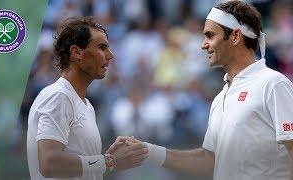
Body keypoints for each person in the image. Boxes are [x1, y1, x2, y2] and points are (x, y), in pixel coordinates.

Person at [109, 1, 293, 180]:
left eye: (210, 35)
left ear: (235, 37)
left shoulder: (274, 84)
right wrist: (147, 151)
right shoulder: (221, 97)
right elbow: (209, 160)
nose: (203, 44)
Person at [26, 17, 148, 180]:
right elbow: (49, 163)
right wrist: (110, 161)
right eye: (102, 47)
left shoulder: (86, 105)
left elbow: (84, 166)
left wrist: (108, 157)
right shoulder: (59, 96)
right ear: (77, 53)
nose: (110, 55)